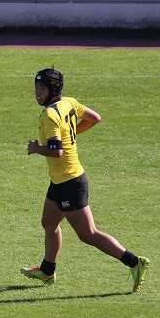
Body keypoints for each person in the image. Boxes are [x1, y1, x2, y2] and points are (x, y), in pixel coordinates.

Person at [22, 68, 150, 293]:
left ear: (52, 90)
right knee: (49, 222)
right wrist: (70, 134)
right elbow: (94, 118)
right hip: (61, 180)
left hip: (70, 183)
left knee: (88, 234)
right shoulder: (69, 103)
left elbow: (56, 151)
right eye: (36, 87)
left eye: (41, 88)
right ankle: (47, 270)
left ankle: (134, 262)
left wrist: (36, 148)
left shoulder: (50, 115)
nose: (37, 93)